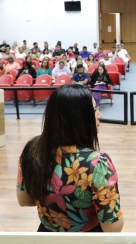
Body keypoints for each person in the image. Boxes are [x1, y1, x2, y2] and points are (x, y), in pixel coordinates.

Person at [16, 84, 124, 232]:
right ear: (80, 118)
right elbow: (112, 228)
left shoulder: (31, 149)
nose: (100, 114)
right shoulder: (97, 163)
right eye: (95, 110)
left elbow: (24, 200)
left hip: (46, 237)